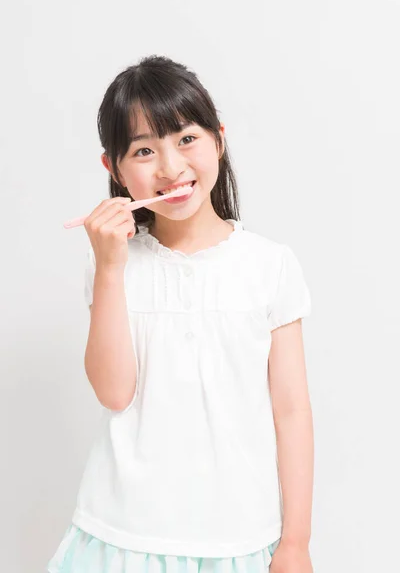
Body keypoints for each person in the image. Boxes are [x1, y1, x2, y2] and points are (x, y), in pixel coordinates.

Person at [47, 55, 314, 573]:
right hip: (120, 536)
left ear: (219, 138)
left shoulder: (270, 265)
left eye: (186, 139)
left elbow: (293, 413)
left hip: (239, 539)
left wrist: (296, 542)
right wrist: (108, 268)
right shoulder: (112, 264)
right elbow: (113, 391)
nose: (170, 167)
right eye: (145, 150)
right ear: (115, 169)